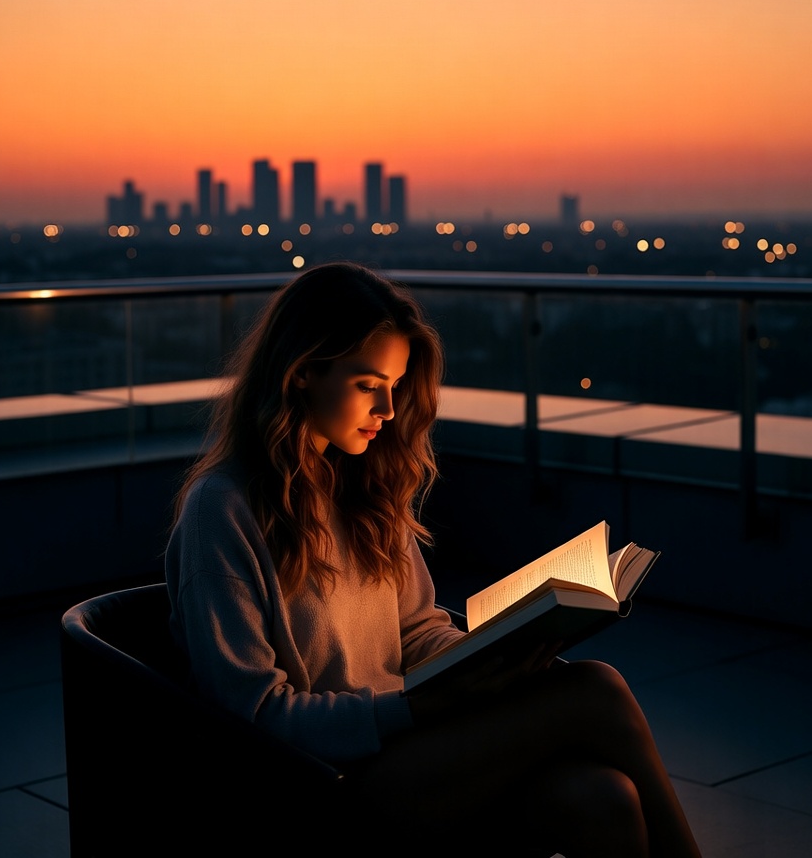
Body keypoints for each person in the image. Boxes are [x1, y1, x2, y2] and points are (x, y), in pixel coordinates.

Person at [165, 261, 702, 858]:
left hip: (405, 748)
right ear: (301, 374)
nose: (390, 409)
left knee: (604, 799)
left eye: (395, 386)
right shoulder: (222, 509)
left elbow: (417, 631)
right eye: (369, 385)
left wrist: (491, 658)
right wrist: (413, 709)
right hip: (319, 782)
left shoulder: (360, 490)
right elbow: (254, 715)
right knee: (595, 688)